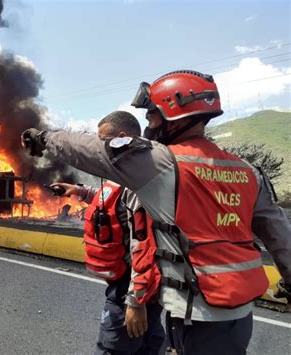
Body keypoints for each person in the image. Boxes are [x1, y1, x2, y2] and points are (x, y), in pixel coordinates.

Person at [21, 70, 291, 355]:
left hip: (198, 313)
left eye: (151, 116)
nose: (148, 124)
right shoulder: (248, 171)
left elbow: (90, 149)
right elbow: (280, 237)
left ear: (173, 114)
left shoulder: (163, 163)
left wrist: (43, 138)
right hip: (240, 314)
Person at [51, 111, 164, 354]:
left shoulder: (140, 183)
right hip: (133, 288)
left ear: (121, 138)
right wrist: (78, 191)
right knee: (148, 346)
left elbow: (144, 248)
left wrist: (136, 301)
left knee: (113, 349)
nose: (99, 148)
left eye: (103, 141)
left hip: (131, 290)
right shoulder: (125, 175)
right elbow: (112, 196)